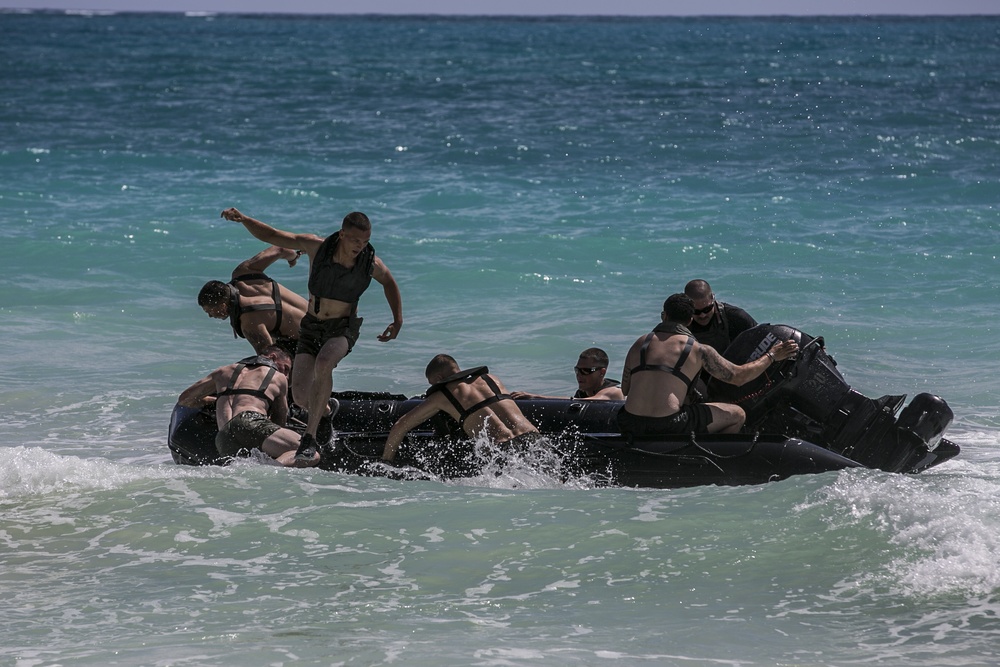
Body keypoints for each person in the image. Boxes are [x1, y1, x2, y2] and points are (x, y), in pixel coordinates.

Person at [221, 207, 403, 463]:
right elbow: (273, 235)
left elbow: (389, 283)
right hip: (311, 326)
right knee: (300, 395)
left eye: (365, 241)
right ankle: (326, 411)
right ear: (341, 234)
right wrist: (244, 220)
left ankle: (309, 438)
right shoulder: (316, 247)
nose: (359, 246)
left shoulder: (370, 263)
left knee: (324, 362)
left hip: (342, 328)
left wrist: (397, 320)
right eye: (354, 240)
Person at [618, 293, 798, 436]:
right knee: (737, 414)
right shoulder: (698, 350)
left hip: (629, 422)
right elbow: (739, 377)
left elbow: (625, 390)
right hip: (669, 424)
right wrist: (773, 355)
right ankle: (717, 463)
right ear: (690, 320)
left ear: (664, 316)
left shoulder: (640, 343)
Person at [381, 354, 542, 464]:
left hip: (501, 451)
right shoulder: (491, 379)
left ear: (438, 379)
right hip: (534, 440)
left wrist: (385, 463)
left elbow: (400, 426)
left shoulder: (442, 395)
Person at [177, 346, 319, 467]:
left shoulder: (223, 371)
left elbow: (185, 399)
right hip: (251, 421)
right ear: (273, 357)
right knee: (308, 452)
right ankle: (272, 471)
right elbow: (280, 420)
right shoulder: (277, 376)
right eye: (286, 368)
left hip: (223, 437)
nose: (286, 376)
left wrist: (214, 401)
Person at [198, 245, 309, 357]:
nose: (210, 316)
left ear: (222, 306)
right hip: (318, 316)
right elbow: (280, 249)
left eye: (209, 312)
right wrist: (293, 257)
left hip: (310, 341)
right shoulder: (243, 272)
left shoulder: (249, 322)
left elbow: (273, 359)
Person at [511, 347, 624, 401]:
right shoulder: (581, 393)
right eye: (577, 370)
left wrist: (536, 397)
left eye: (585, 371)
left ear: (602, 372)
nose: (579, 375)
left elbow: (592, 401)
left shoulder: (613, 392)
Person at [683, 279, 758, 355]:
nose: (703, 315)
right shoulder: (679, 322)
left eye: (707, 309)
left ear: (713, 298)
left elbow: (762, 338)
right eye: (696, 311)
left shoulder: (735, 316)